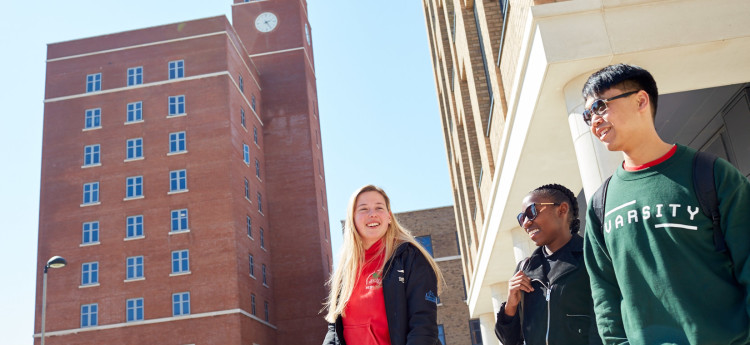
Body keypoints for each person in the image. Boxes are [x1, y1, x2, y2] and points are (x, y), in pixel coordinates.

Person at [581, 63, 750, 344]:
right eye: (588, 115)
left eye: (600, 106)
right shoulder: (601, 203)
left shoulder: (712, 174)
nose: (594, 120)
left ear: (640, 100)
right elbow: (605, 295)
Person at [322, 185, 444, 345]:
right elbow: (334, 331)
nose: (372, 214)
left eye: (379, 208)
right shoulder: (346, 269)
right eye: (363, 209)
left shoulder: (410, 257)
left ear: (389, 217)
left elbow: (423, 326)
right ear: (352, 219)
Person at [495, 184, 601, 345]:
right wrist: (511, 304)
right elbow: (509, 340)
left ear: (562, 210)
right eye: (522, 218)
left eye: (531, 212)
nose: (526, 224)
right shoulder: (525, 269)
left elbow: (607, 319)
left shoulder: (591, 256)